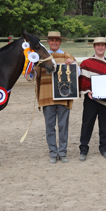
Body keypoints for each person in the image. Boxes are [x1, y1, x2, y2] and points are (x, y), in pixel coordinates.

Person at [35, 31, 77, 164]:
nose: (54, 42)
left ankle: (63, 152)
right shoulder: (41, 57)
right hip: (47, 96)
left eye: (57, 40)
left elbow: (78, 73)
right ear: (48, 41)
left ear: (60, 42)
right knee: (49, 126)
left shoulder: (67, 56)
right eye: (52, 40)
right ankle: (53, 152)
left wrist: (73, 64)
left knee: (63, 125)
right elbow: (33, 75)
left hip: (63, 96)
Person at [78, 37, 106, 161]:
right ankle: (83, 149)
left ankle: (103, 148)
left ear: (105, 47)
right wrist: (87, 91)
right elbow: (83, 80)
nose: (100, 47)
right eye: (98, 45)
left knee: (104, 125)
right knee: (87, 124)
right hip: (91, 98)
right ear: (94, 47)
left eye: (102, 45)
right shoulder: (86, 63)